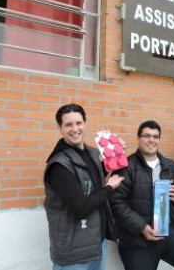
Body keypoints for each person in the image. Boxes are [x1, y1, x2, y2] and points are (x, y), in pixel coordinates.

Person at [109, 120, 174, 270]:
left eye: (155, 136)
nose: (151, 140)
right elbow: (116, 203)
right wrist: (142, 227)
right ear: (138, 139)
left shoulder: (170, 166)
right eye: (146, 135)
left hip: (168, 228)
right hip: (136, 235)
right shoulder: (126, 167)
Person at [44, 103, 124, 270]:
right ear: (60, 128)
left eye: (78, 123)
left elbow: (91, 179)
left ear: (84, 124)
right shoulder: (59, 165)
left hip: (97, 243)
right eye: (68, 124)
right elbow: (81, 207)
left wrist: (115, 155)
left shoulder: (93, 153)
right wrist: (109, 188)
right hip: (75, 252)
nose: (75, 129)